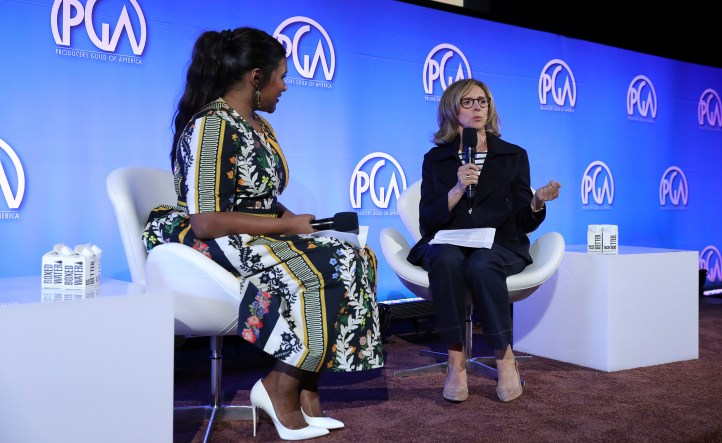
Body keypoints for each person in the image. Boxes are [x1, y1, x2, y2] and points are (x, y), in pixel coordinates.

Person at [142, 27, 383, 440]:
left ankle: (307, 389)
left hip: (250, 233)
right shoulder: (212, 127)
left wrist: (306, 225)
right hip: (205, 241)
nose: (285, 86)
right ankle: (278, 386)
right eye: (281, 76)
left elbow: (265, 200)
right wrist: (287, 227)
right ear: (256, 78)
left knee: (356, 255)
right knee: (327, 264)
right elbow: (206, 220)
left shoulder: (259, 126)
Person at [406, 78, 561, 403]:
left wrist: (537, 202)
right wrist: (457, 189)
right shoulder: (436, 160)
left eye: (483, 101)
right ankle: (455, 362)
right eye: (468, 102)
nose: (478, 107)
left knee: (481, 264)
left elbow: (522, 219)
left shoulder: (512, 156)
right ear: (452, 109)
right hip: (449, 241)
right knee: (445, 259)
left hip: (499, 244)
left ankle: (505, 359)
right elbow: (427, 222)